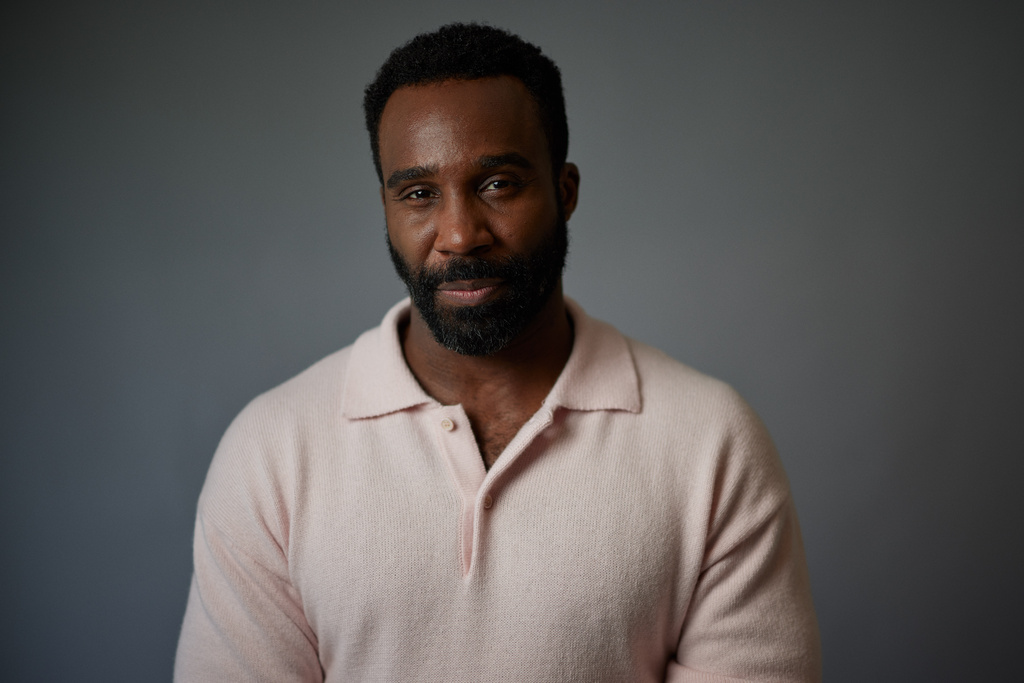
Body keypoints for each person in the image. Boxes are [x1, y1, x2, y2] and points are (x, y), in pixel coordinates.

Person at [174, 23, 821, 682]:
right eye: (419, 194)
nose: (459, 234)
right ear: (387, 209)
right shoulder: (271, 451)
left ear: (565, 191)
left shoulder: (712, 440)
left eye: (498, 184)